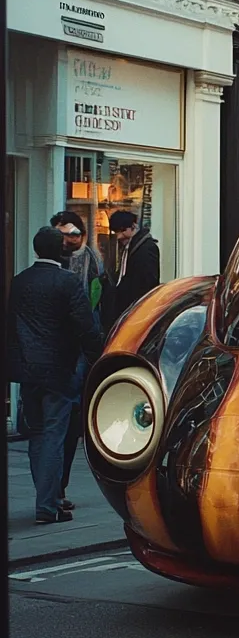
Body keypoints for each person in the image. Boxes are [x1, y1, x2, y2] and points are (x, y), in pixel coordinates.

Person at [7, 227, 104, 523]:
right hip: (60, 370)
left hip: (27, 370)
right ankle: (47, 506)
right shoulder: (68, 281)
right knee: (53, 435)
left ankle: (47, 499)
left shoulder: (19, 282)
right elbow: (85, 326)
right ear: (60, 248)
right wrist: (96, 357)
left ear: (36, 250)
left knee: (37, 436)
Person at [50, 210, 106, 507]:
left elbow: (95, 303)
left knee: (68, 420)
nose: (68, 240)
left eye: (72, 234)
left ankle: (58, 488)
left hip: (80, 347)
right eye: (62, 234)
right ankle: (52, 490)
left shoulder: (92, 261)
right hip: (60, 348)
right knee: (54, 424)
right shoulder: (53, 264)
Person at [107, 209, 160, 325]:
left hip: (136, 309)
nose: (119, 236)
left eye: (122, 230)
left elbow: (148, 282)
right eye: (116, 231)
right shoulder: (133, 246)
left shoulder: (145, 248)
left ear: (133, 226)